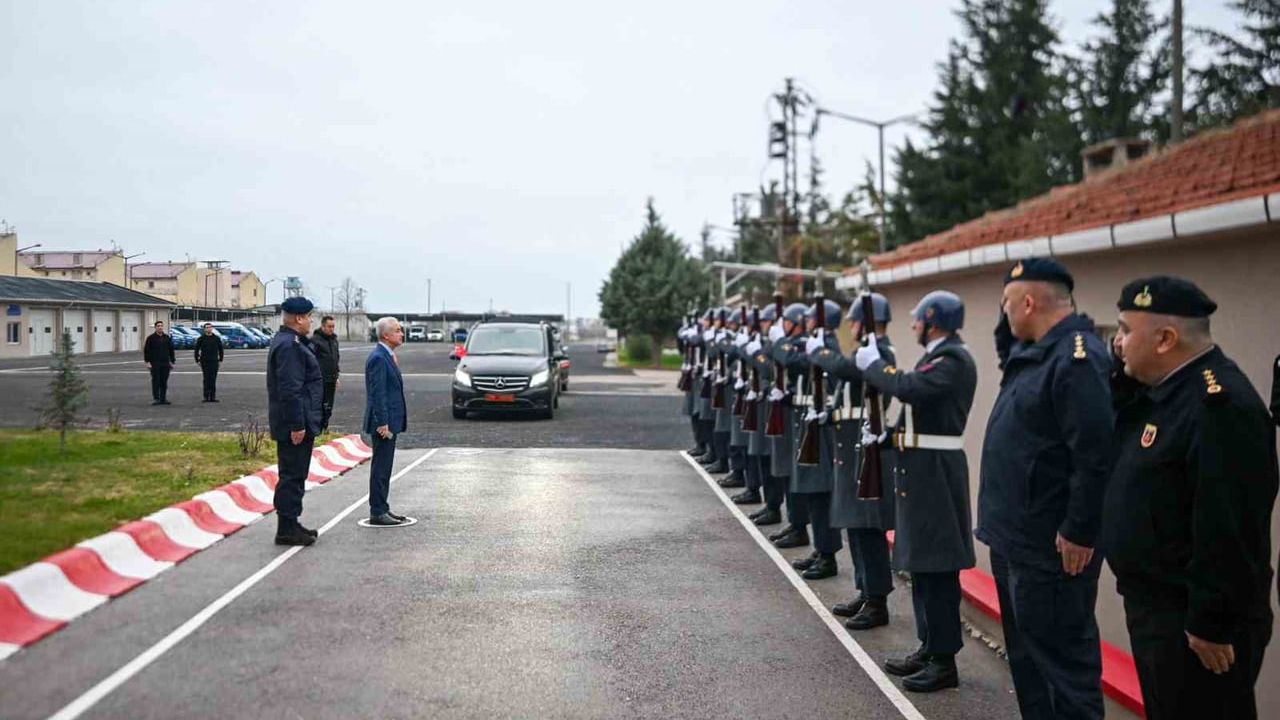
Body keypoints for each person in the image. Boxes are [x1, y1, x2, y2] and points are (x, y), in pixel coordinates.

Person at [1103, 276, 1277, 720]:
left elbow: (1230, 523)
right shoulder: (1166, 393)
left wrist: (1210, 622)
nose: (1117, 343)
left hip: (1194, 626)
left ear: (1165, 339)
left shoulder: (1220, 406)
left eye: (1124, 331)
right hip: (1157, 610)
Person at [977, 258, 1114, 719]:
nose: (1005, 313)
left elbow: (1094, 454)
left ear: (1029, 301)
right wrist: (1010, 296)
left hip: (1050, 550)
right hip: (1015, 538)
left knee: (1065, 675)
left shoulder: (1077, 357)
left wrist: (1080, 530)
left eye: (1007, 303)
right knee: (1029, 665)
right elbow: (1005, 338)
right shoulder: (1033, 351)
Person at [855, 289, 977, 693]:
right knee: (923, 567)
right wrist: (887, 440)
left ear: (933, 319)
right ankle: (929, 646)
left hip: (937, 477)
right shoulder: (938, 358)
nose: (913, 326)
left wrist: (874, 368)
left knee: (939, 568)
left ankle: (944, 660)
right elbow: (917, 413)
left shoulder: (953, 361)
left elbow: (908, 390)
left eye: (918, 319)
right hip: (923, 472)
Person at [813, 293, 896, 630]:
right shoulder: (865, 353)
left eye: (855, 319)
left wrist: (820, 351)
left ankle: (877, 601)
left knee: (867, 528)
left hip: (866, 455)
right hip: (851, 452)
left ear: (868, 321)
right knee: (856, 527)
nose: (850, 325)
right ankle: (866, 591)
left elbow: (843, 369)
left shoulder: (880, 354)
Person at [782, 298, 843, 580]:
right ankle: (821, 550)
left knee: (820, 493)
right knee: (813, 493)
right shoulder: (816, 346)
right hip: (813, 424)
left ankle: (828, 555)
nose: (805, 324)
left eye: (809, 320)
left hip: (823, 430)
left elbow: (789, 359)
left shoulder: (825, 348)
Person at [267, 297, 324, 546]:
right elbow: (290, 389)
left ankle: (291, 522)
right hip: (294, 423)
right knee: (292, 474)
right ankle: (286, 529)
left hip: (296, 419)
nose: (311, 321)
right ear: (299, 318)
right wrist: (298, 425)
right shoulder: (290, 346)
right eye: (309, 316)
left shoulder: (293, 342)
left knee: (295, 473)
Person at [767, 302, 813, 549]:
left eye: (785, 321)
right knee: (789, 472)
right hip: (792, 413)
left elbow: (787, 358)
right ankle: (795, 524)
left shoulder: (803, 344)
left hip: (801, 417)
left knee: (798, 475)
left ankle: (800, 527)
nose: (781, 326)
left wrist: (778, 342)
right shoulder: (791, 344)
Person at [364, 316, 409, 526]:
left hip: (389, 421)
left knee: (385, 466)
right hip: (383, 424)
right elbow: (378, 394)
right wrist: (383, 422)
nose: (402, 333)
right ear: (386, 335)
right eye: (398, 330)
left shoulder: (386, 356)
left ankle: (383, 507)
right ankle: (378, 511)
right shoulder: (379, 358)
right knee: (381, 468)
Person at [312, 315, 341, 431]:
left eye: (333, 326)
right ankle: (317, 429)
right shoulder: (315, 341)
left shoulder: (334, 341)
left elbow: (335, 359)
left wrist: (337, 376)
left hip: (331, 379)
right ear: (323, 326)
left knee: (329, 406)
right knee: (319, 406)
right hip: (319, 380)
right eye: (329, 326)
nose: (331, 329)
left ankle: (325, 427)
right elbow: (310, 361)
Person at [143, 320, 175, 405]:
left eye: (161, 326)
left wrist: (172, 361)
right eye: (158, 326)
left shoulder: (166, 337)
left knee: (164, 381)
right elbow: (146, 351)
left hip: (165, 363)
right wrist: (147, 362)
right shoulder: (151, 338)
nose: (160, 327)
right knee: (156, 381)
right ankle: (156, 398)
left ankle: (163, 398)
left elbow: (171, 350)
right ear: (155, 327)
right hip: (155, 363)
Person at [193, 323, 224, 402]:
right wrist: (197, 360)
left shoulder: (216, 338)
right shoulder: (201, 338)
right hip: (205, 361)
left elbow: (221, 350)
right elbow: (196, 350)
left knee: (213, 379)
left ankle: (213, 396)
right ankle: (206, 396)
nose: (209, 329)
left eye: (210, 327)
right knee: (206, 379)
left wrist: (220, 359)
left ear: (212, 328)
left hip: (214, 361)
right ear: (204, 329)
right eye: (207, 327)